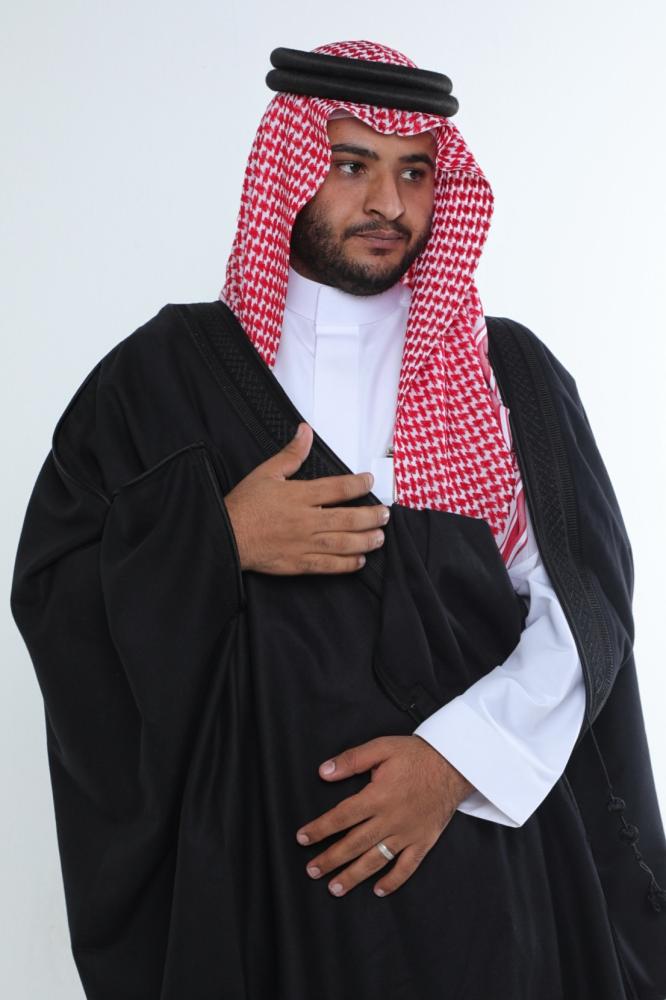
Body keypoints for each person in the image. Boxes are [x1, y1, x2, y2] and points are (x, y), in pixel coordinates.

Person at [9, 38, 666, 1000]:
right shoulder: (161, 377)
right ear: (287, 168)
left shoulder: (510, 374)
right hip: (259, 891)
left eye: (415, 173)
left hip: (482, 885)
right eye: (352, 165)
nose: (389, 203)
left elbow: (583, 613)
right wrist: (220, 540)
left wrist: (453, 764)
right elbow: (56, 591)